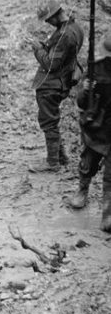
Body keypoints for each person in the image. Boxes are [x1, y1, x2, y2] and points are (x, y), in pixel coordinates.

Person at [28, 0, 85, 173]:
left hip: (52, 84)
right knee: (51, 119)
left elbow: (51, 64)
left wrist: (38, 49)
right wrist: (46, 46)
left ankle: (52, 162)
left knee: (48, 122)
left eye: (47, 19)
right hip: (60, 81)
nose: (47, 22)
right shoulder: (74, 28)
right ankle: (61, 157)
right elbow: (60, 55)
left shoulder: (65, 34)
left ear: (54, 16)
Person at [68, 33, 111, 232]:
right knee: (88, 163)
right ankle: (82, 190)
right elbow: (81, 102)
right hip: (96, 127)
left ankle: (108, 214)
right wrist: (85, 90)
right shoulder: (95, 68)